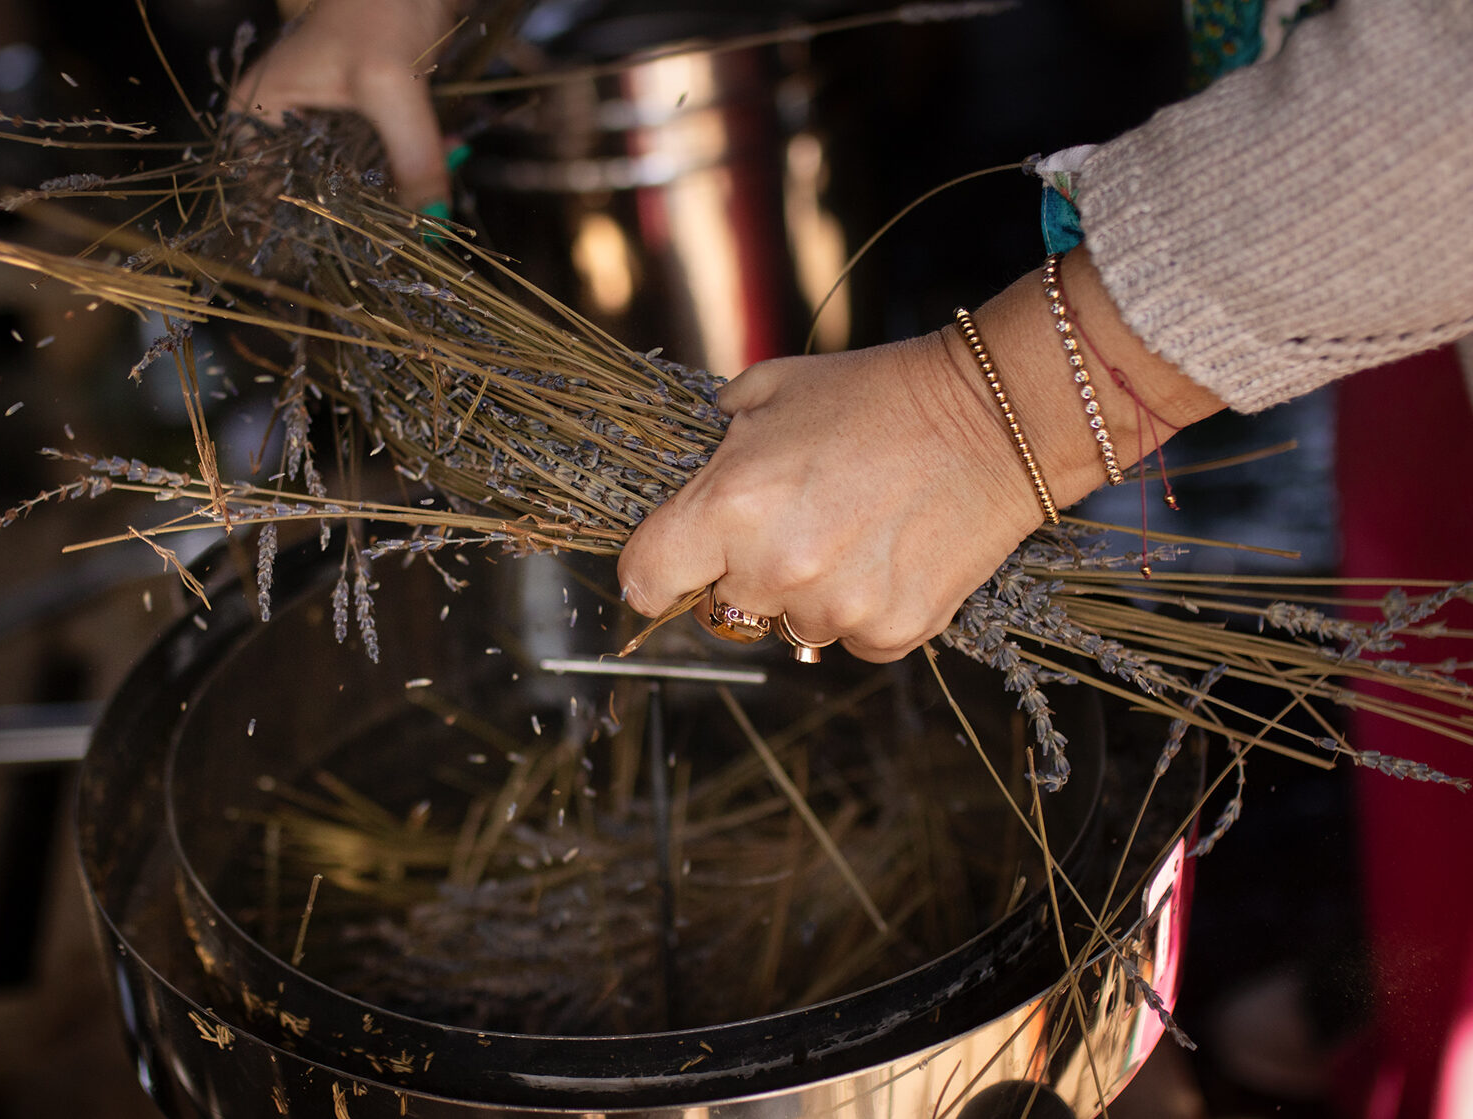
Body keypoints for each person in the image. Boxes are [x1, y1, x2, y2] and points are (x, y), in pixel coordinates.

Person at [240, 0, 1473, 1111]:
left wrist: (999, 413)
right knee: (1432, 706)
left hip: (1417, 179)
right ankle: (1398, 1012)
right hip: (1383, 232)